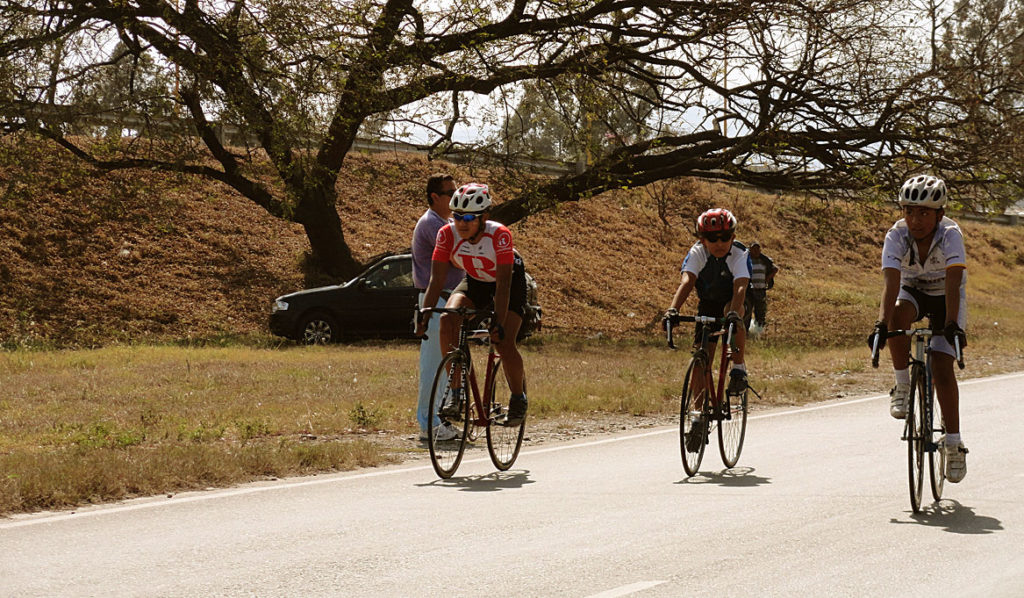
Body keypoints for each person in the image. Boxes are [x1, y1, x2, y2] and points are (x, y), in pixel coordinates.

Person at [868, 174, 968, 483]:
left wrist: (951, 324)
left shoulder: (951, 234)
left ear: (939, 214)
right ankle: (902, 385)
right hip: (912, 289)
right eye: (909, 211)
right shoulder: (896, 236)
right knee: (898, 316)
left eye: (924, 212)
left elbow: (953, 281)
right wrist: (882, 323)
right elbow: (891, 282)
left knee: (941, 366)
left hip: (945, 297)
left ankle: (953, 443)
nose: (915, 219)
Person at [415, 183, 529, 428]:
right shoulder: (446, 234)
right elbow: (436, 280)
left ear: (484, 217)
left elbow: (504, 285)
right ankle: (457, 394)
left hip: (508, 283)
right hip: (475, 282)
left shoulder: (499, 234)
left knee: (503, 340)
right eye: (456, 216)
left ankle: (518, 397)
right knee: (447, 319)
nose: (461, 223)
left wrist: (497, 322)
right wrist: (425, 313)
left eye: (468, 217)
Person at [663, 208, 751, 445]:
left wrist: (733, 313)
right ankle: (697, 417)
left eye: (725, 237)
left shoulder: (739, 253)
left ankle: (739, 368)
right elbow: (688, 281)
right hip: (708, 304)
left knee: (732, 313)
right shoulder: (698, 252)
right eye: (712, 239)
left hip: (734, 301)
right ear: (703, 240)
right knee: (702, 361)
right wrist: (673, 310)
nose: (719, 243)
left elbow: (741, 286)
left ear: (733, 237)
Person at [412, 173, 464, 441]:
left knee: (447, 364)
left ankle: (440, 422)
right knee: (433, 365)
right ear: (435, 197)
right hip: (435, 302)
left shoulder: (445, 222)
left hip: (448, 301)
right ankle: (428, 425)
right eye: (450, 193)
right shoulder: (433, 225)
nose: (455, 198)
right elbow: (457, 259)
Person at [743, 241, 778, 334]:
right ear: (750, 250)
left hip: (760, 290)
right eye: (753, 249)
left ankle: (758, 331)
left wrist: (766, 279)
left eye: (758, 249)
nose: (756, 251)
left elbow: (775, 269)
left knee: (760, 311)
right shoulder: (746, 260)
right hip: (748, 290)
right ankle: (745, 331)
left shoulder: (764, 260)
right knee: (747, 311)